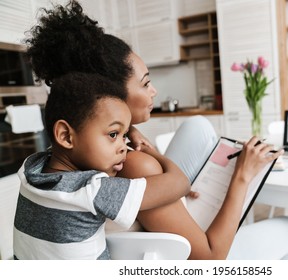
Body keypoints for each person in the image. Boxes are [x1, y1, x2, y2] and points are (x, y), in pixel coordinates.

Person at [24, 0, 288, 259]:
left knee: (198, 126)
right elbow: (210, 258)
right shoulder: (133, 166)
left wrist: (129, 131)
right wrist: (242, 176)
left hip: (154, 222)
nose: (154, 91)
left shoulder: (51, 163)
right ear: (114, 99)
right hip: (188, 259)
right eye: (145, 83)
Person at [13, 72, 191, 259]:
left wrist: (125, 130)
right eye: (114, 134)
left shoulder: (30, 169)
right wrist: (151, 151)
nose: (124, 147)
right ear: (65, 136)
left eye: (125, 136)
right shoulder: (93, 191)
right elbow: (181, 182)